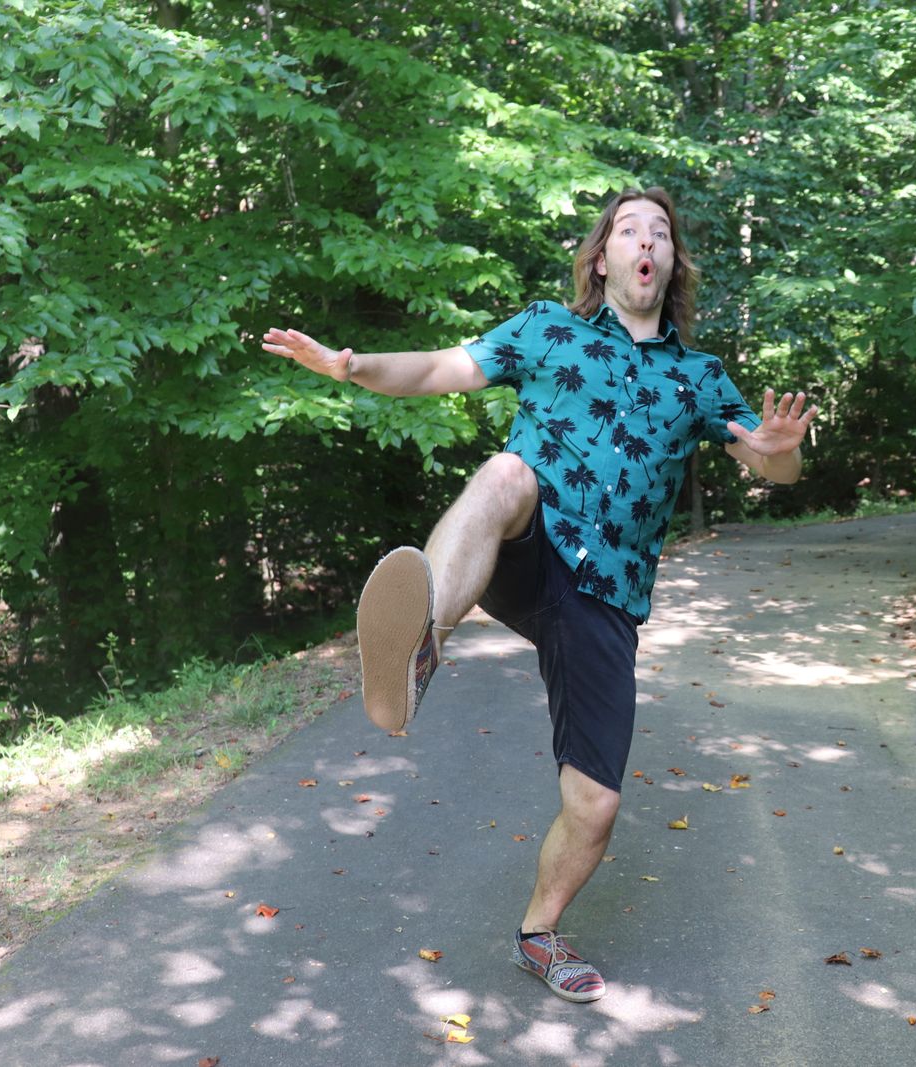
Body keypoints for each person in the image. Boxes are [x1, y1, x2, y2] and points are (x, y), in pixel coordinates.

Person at [261, 187, 816, 1003]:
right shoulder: (546, 329)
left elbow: (768, 462)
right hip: (532, 548)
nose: (646, 241)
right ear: (603, 258)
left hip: (607, 599)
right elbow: (443, 368)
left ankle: (538, 934)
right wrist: (349, 365)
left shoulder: (699, 379)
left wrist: (781, 450)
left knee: (595, 805)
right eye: (629, 230)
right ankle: (421, 641)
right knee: (504, 472)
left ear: (671, 264)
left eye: (661, 233)